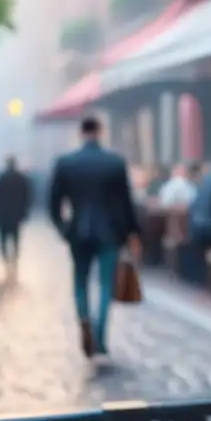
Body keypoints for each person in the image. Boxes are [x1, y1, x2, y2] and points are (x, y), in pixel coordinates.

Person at [49, 116, 140, 358]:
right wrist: (132, 232)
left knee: (80, 281)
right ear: (100, 131)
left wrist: (63, 229)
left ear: (81, 132)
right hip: (109, 233)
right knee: (105, 284)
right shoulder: (114, 163)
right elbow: (126, 203)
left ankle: (84, 321)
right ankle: (99, 336)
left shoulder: (66, 163)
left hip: (78, 231)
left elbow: (53, 202)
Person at [0, 156, 32, 269]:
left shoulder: (0, 179)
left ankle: (7, 261)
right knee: (15, 240)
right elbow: (27, 197)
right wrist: (24, 212)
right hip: (16, 216)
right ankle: (14, 262)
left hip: (2, 216)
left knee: (3, 240)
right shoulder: (21, 179)